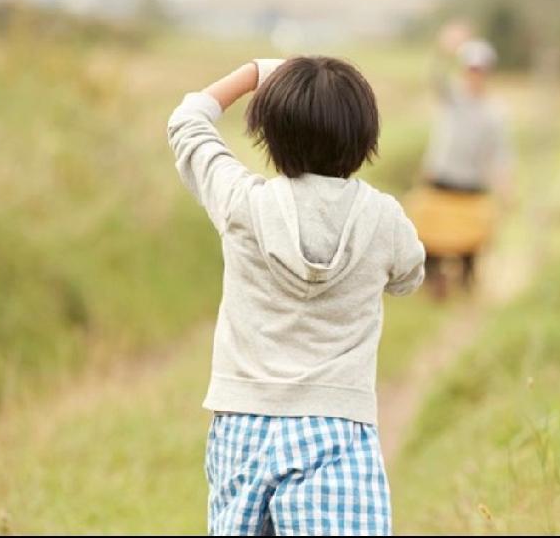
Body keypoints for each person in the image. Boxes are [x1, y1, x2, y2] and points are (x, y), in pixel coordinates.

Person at [167, 57, 425, 535]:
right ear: (365, 139)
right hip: (336, 425)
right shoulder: (384, 219)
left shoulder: (243, 204)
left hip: (242, 423)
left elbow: (187, 122)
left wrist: (256, 73)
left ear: (270, 136)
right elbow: (410, 276)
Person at [408, 24, 511, 298]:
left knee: (471, 241)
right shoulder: (452, 96)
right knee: (430, 236)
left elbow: (499, 154)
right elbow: (433, 76)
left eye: (480, 70)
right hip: (441, 178)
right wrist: (444, 49)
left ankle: (466, 280)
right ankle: (434, 280)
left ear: (487, 72)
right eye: (470, 68)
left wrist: (505, 189)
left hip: (472, 185)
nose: (474, 75)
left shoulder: (495, 113)